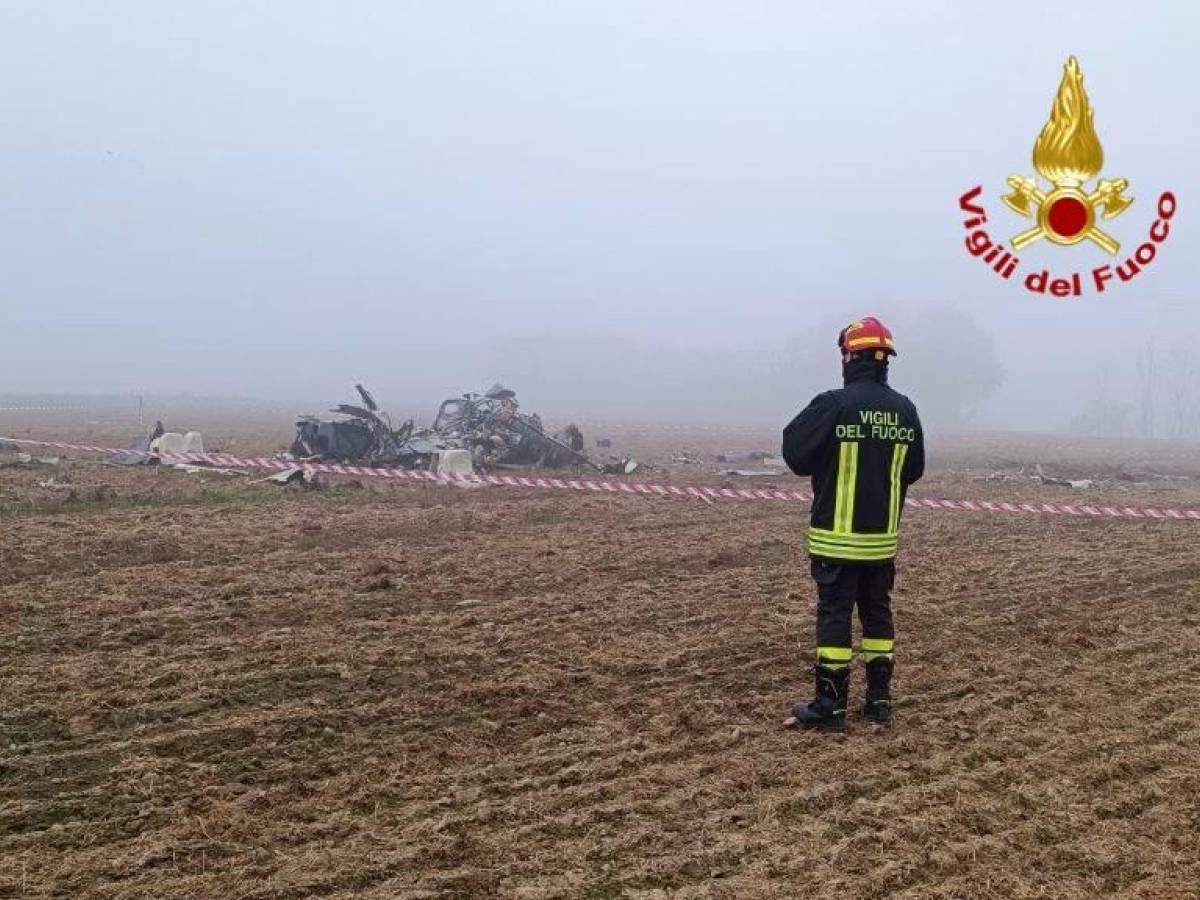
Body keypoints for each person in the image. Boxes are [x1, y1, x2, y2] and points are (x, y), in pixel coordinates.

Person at [781, 316, 924, 731]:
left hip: (836, 542)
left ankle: (831, 706)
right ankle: (879, 703)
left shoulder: (833, 405)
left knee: (835, 617)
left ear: (849, 356)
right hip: (881, 543)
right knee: (878, 617)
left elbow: (795, 454)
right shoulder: (905, 409)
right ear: (885, 361)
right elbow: (913, 470)